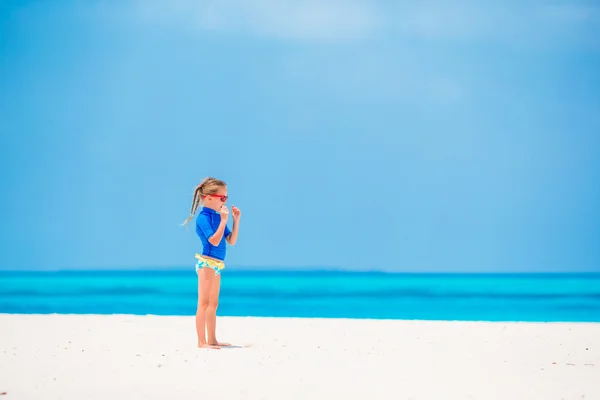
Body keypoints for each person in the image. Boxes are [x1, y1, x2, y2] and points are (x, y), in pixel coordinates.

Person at [182, 177, 241, 349]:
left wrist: (235, 221)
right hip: (207, 263)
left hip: (217, 264)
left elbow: (231, 240)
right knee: (204, 303)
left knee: (213, 304)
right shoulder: (203, 218)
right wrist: (223, 220)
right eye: (222, 198)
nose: (224, 202)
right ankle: (201, 341)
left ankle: (212, 339)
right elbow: (214, 241)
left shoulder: (217, 217)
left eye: (226, 198)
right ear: (208, 198)